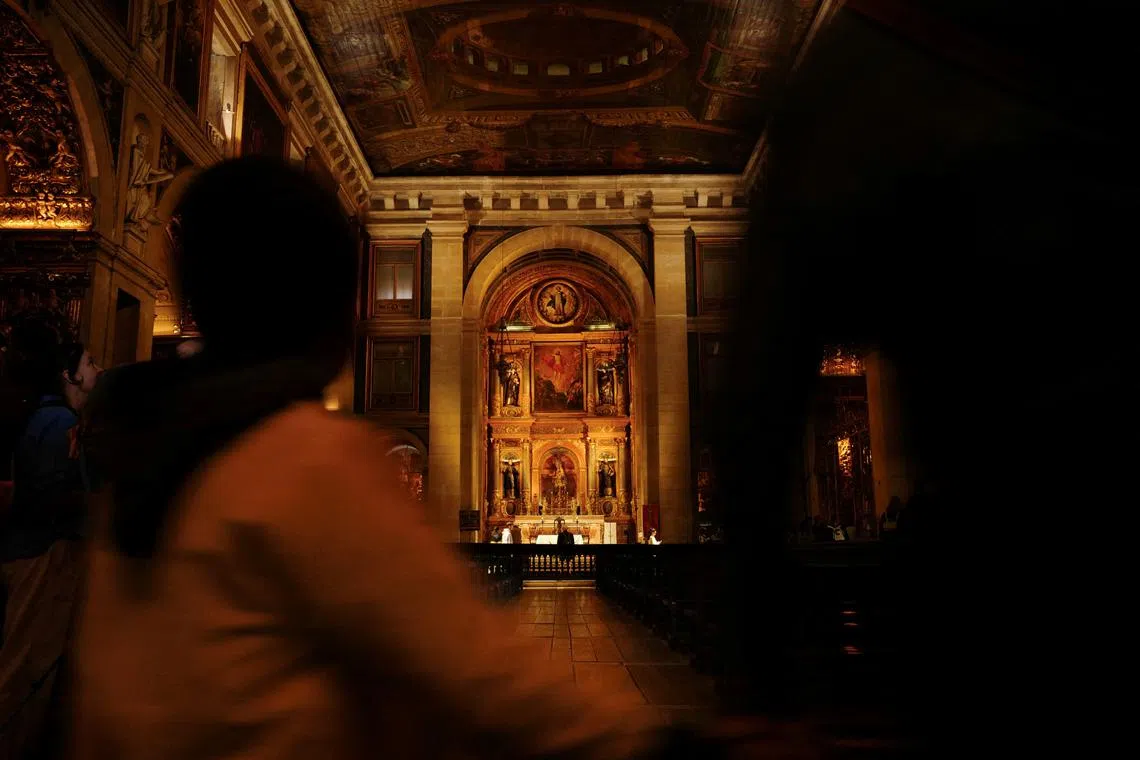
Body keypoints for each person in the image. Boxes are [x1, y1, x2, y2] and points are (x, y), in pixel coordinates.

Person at [72, 158, 773, 760]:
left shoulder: (140, 448)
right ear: (323, 306)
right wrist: (674, 749)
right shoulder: (306, 462)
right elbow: (485, 680)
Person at [1, 325, 100, 760]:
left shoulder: (49, 415)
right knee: (26, 671)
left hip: (37, 549)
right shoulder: (58, 420)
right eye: (90, 362)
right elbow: (49, 495)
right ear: (69, 375)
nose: (97, 368)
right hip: (45, 552)